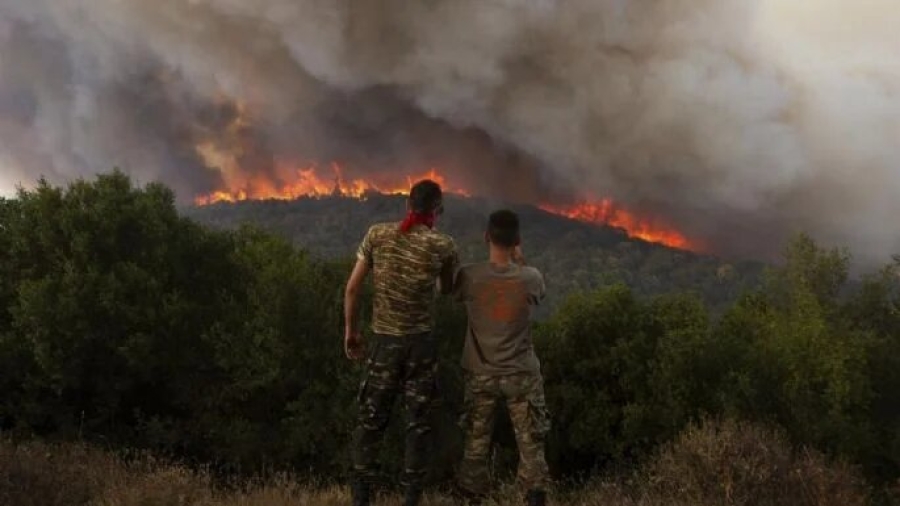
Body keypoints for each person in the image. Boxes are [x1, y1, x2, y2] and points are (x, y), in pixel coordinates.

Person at [344, 179, 459, 506]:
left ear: (408, 205)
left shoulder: (377, 234)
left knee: (370, 424)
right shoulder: (444, 245)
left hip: (383, 345)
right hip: (420, 349)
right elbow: (447, 290)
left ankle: (361, 498)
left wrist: (351, 333)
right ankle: (410, 499)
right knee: (417, 427)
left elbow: (352, 289)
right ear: (436, 210)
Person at [454, 209, 551, 506]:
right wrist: (519, 259)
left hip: (481, 373)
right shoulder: (530, 277)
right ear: (517, 240)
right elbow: (540, 294)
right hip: (521, 374)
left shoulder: (469, 276)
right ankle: (533, 497)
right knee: (530, 443)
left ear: (486, 237)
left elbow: (445, 289)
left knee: (476, 443)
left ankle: (473, 497)